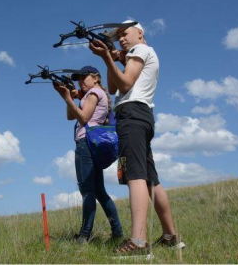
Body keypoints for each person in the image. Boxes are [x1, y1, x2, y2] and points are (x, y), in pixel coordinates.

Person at [89, 20, 184, 255]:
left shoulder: (141, 50)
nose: (120, 38)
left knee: (135, 175)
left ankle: (138, 243)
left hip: (132, 115)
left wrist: (107, 58)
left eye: (125, 33)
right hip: (139, 116)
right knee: (151, 179)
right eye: (117, 36)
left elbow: (126, 82)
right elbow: (113, 88)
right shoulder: (133, 55)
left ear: (140, 33)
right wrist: (112, 58)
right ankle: (170, 236)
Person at [54, 66, 123, 243]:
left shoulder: (93, 93)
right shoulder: (93, 94)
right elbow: (71, 116)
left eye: (84, 77)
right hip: (92, 143)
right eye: (79, 78)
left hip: (86, 142)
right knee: (99, 191)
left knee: (87, 191)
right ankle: (117, 233)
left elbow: (83, 118)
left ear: (96, 78)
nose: (81, 81)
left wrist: (67, 97)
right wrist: (69, 97)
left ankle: (84, 235)